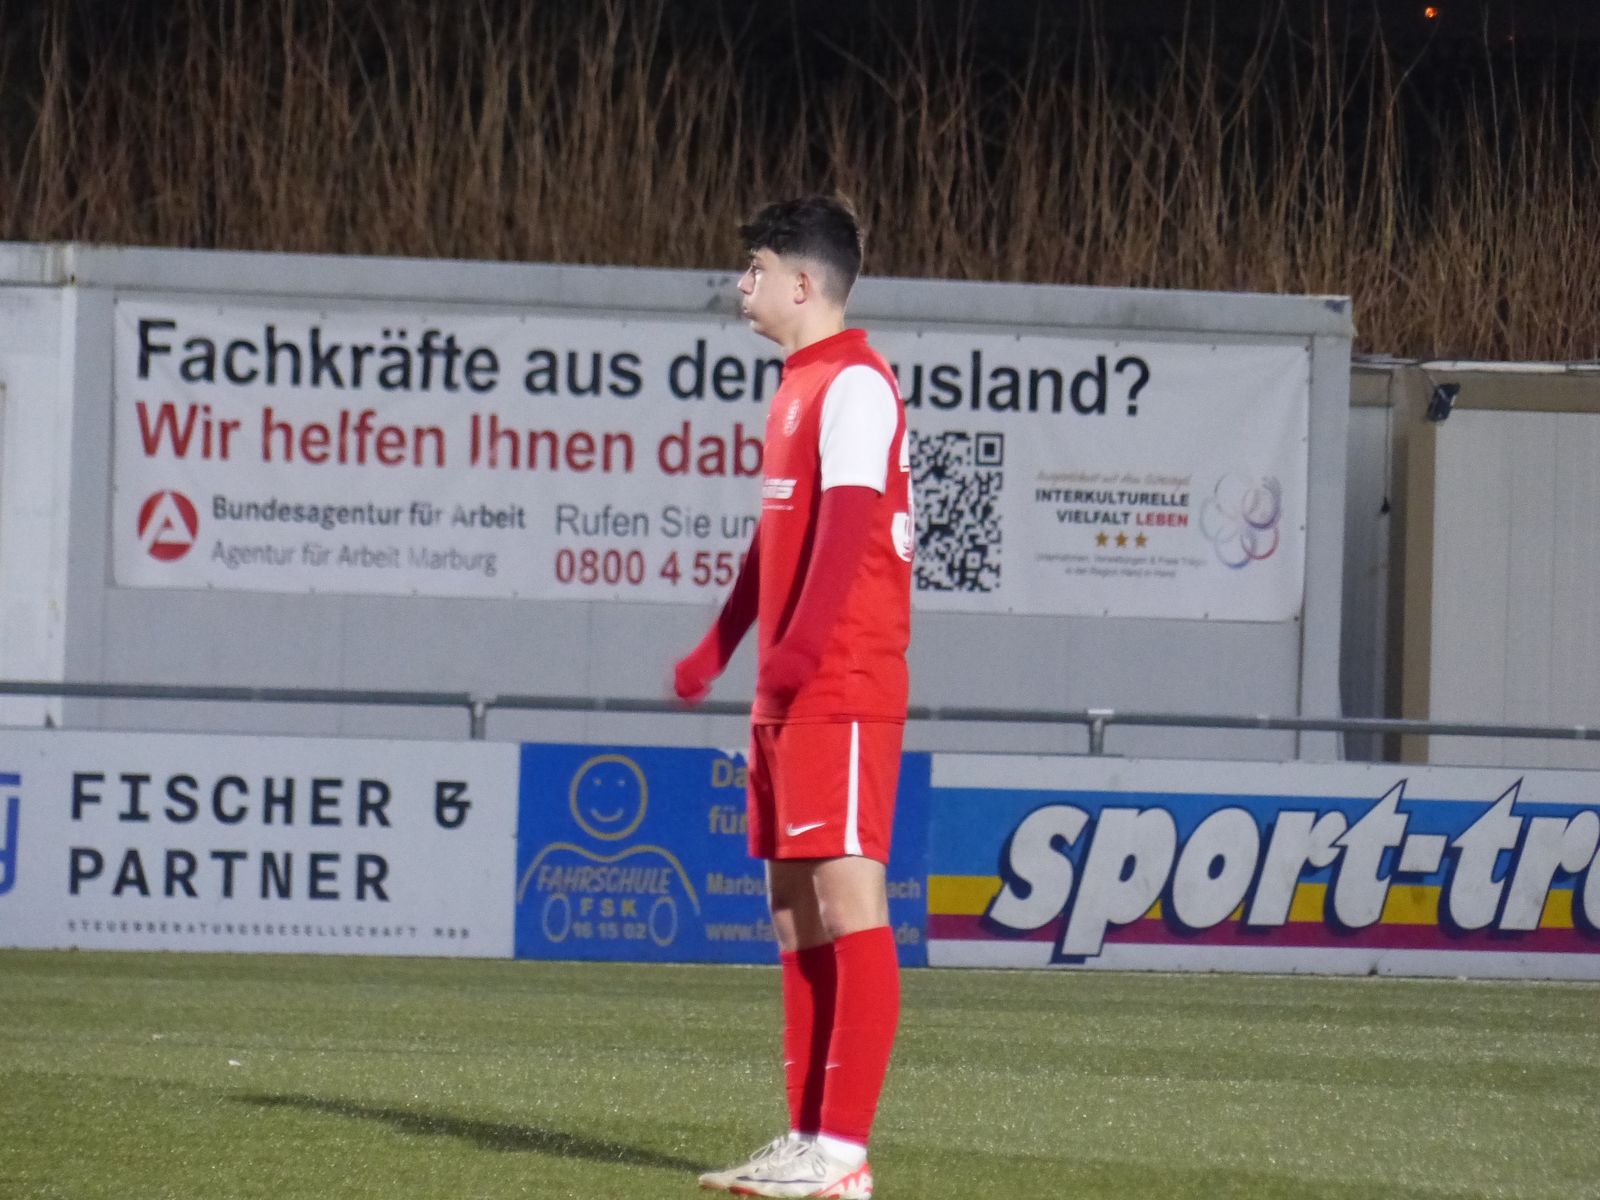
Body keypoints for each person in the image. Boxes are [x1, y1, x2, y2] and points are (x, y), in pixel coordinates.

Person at [673, 195, 913, 1200]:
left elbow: (850, 530)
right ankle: (808, 1136)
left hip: (840, 681)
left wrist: (800, 652)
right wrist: (720, 646)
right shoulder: (798, 385)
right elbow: (778, 540)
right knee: (791, 913)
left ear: (803, 283)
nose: (743, 284)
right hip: (789, 687)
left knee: (849, 899)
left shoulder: (855, 383)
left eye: (756, 268)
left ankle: (843, 1154)